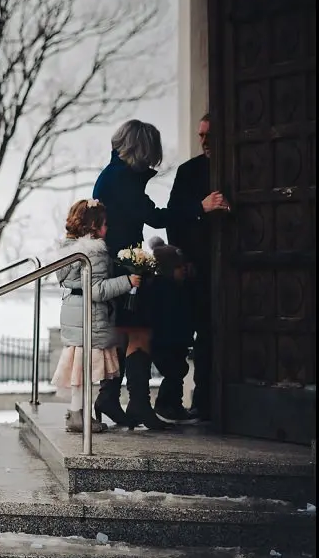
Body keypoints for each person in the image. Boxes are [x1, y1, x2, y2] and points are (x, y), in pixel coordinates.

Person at [92, 120, 228, 430]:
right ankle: (136, 403)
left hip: (120, 262)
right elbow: (154, 216)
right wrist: (200, 207)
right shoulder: (123, 179)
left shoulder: (116, 175)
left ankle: (113, 398)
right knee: (138, 332)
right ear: (143, 149)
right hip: (122, 266)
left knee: (127, 333)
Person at [50, 199, 137, 432]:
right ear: (93, 226)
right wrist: (128, 281)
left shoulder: (68, 250)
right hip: (90, 316)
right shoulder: (94, 253)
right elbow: (96, 290)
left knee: (80, 371)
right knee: (86, 372)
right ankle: (80, 417)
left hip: (73, 311)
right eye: (104, 224)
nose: (107, 229)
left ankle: (76, 413)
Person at [166, 113, 214, 422]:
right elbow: (173, 218)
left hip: (238, 274)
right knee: (191, 336)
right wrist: (184, 262)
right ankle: (194, 400)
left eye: (210, 134)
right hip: (197, 271)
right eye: (201, 135)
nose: (204, 140)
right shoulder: (189, 171)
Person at [146, 237, 196, 424]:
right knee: (174, 372)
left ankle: (174, 405)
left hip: (177, 340)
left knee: (179, 371)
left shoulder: (178, 288)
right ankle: (165, 406)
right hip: (166, 342)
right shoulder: (163, 289)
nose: (183, 270)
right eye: (178, 267)